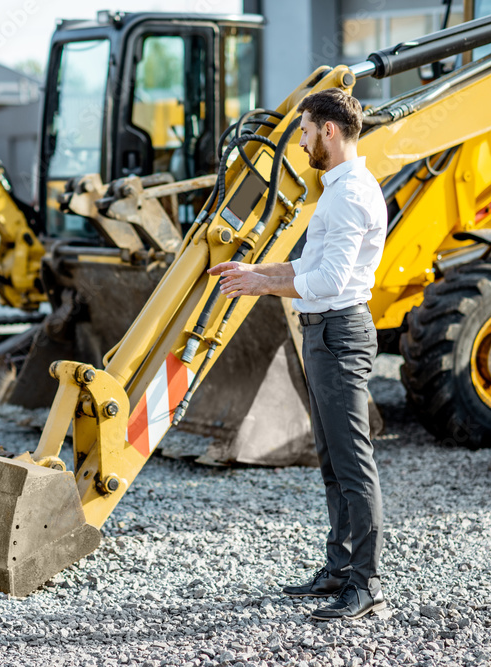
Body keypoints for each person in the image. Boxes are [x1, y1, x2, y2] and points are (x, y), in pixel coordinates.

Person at [207, 88, 387, 621]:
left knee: (354, 463)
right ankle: (339, 568)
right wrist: (255, 274)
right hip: (323, 332)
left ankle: (367, 584)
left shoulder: (351, 193)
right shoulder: (336, 189)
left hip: (339, 333)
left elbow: (328, 280)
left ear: (329, 130)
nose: (302, 139)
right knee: (333, 460)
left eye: (306, 130)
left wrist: (263, 287)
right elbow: (307, 265)